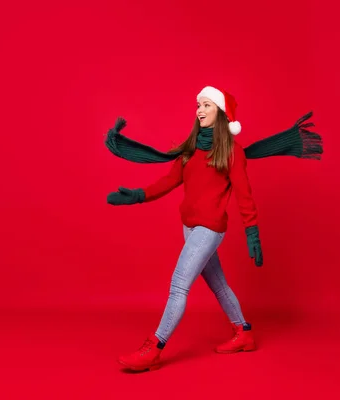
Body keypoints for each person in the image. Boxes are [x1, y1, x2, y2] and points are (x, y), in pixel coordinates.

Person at [105, 86, 323, 372]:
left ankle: (154, 347)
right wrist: (138, 195)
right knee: (218, 286)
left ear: (220, 113)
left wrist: (252, 232)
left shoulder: (232, 152)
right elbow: (169, 182)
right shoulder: (191, 149)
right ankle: (243, 332)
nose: (199, 110)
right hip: (189, 227)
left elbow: (245, 195)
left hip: (210, 229)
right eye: (198, 105)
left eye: (206, 105)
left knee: (178, 285)